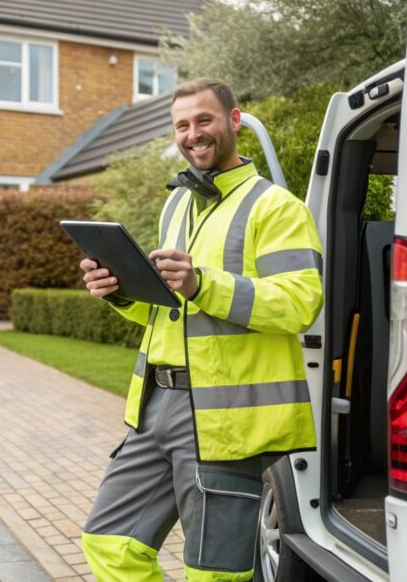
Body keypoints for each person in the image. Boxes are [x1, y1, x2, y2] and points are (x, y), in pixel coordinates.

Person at [79, 78, 324, 582]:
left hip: (227, 420)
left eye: (204, 120)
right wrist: (121, 290)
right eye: (182, 125)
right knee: (107, 543)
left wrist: (202, 283)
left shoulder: (277, 207)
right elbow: (170, 310)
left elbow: (301, 302)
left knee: (215, 575)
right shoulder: (178, 205)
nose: (193, 134)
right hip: (156, 407)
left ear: (234, 121)